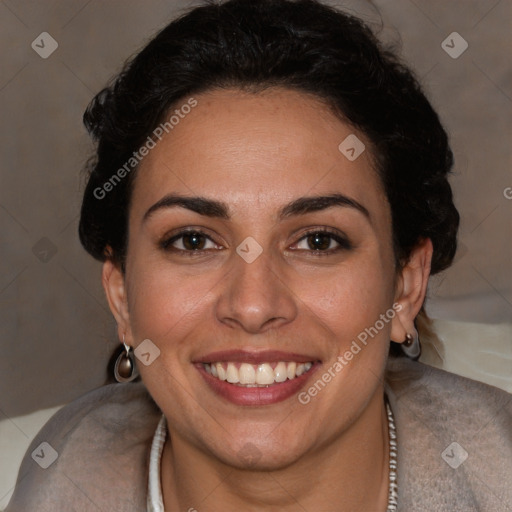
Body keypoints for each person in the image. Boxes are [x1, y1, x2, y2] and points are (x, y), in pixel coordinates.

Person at [6, 0, 512, 511]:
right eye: (193, 240)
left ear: (405, 285)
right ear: (121, 297)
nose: (252, 306)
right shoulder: (50, 482)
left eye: (318, 240)